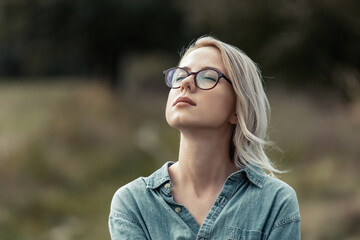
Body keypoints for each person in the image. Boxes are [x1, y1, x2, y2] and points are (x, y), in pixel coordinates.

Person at [109, 36, 301, 239]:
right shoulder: (133, 203)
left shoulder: (275, 202)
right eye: (179, 76)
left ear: (237, 109)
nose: (186, 83)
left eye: (208, 77)